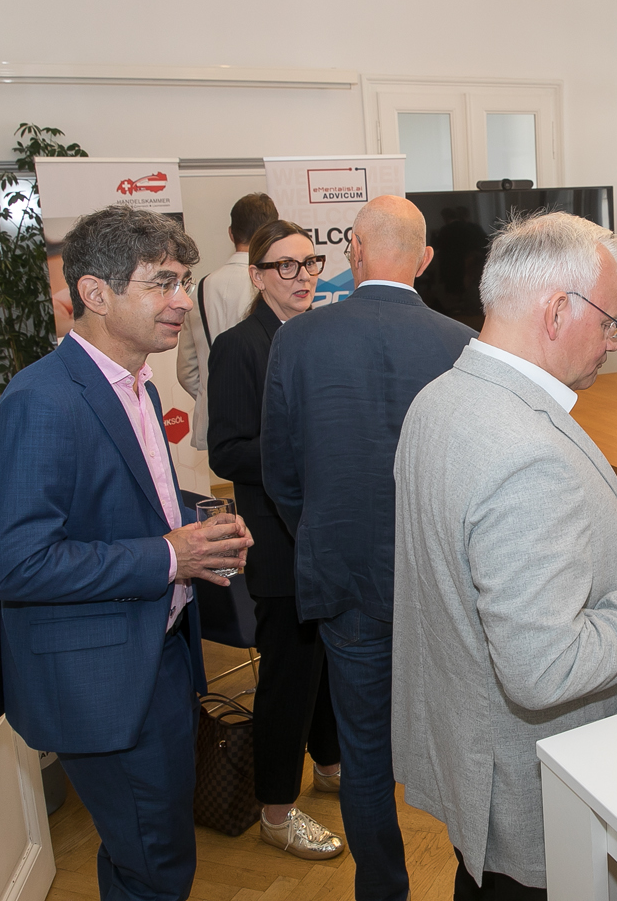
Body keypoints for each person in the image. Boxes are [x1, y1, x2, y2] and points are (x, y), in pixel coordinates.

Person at [391, 211, 617, 899]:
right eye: (611, 321)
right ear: (558, 310)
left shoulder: (437, 401)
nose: (615, 341)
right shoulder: (526, 450)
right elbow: (544, 667)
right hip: (535, 788)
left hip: (473, 760)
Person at [0, 204, 255, 901]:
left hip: (156, 655)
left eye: (182, 282)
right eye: (161, 283)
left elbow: (131, 499)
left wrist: (201, 528)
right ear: (95, 294)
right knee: (155, 867)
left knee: (145, 853)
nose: (182, 301)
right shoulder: (42, 400)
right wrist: (171, 556)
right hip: (102, 679)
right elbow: (15, 563)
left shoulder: (134, 382)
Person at [261, 195, 475, 901]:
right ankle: (479, 879)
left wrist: (326, 529)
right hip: (445, 587)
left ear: (353, 250)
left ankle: (383, 890)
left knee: (364, 752)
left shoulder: (298, 340)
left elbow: (280, 473)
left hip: (347, 580)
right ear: (425, 259)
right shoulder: (464, 345)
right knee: (463, 744)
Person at [206, 219, 343, 860]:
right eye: (285, 266)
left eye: (310, 263)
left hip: (322, 530)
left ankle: (331, 764)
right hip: (278, 541)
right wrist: (302, 443)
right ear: (258, 277)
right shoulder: (239, 346)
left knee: (322, 660)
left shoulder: (317, 334)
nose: (302, 276)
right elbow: (227, 451)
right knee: (287, 675)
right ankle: (276, 811)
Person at [178, 191, 279, 449]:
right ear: (272, 232)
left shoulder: (199, 288)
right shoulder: (277, 283)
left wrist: (219, 398)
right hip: (268, 422)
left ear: (231, 234)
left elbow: (187, 370)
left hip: (215, 421)